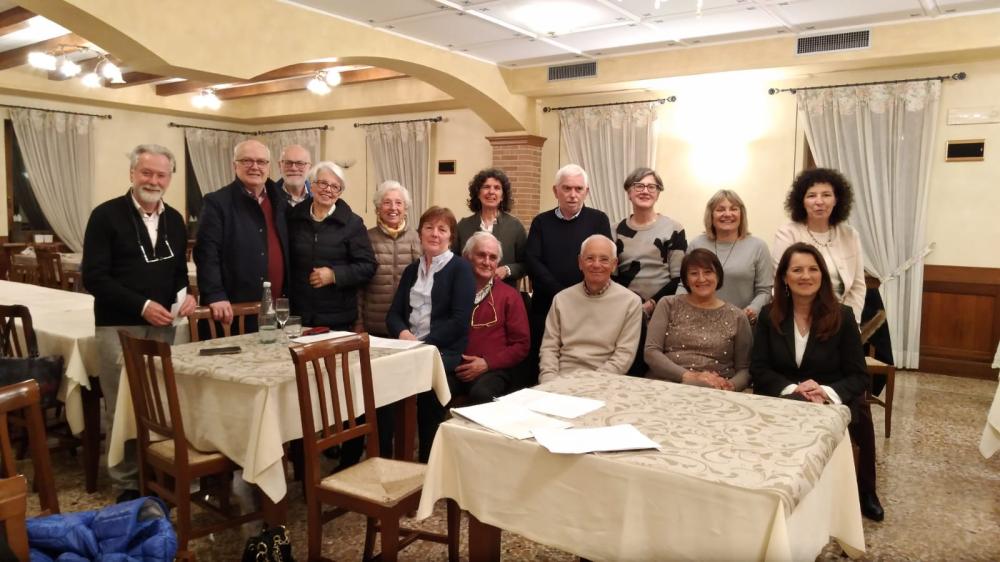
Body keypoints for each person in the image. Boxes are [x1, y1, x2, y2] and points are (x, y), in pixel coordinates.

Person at [81, 144, 196, 503]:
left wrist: (188, 296)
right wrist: (142, 306)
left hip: (164, 326)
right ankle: (128, 482)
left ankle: (158, 469)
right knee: (122, 405)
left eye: (161, 174)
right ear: (132, 173)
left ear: (169, 178)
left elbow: (178, 272)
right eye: (146, 172)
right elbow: (94, 277)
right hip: (118, 326)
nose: (153, 180)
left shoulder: (174, 219)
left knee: (161, 402)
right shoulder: (105, 216)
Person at [751, 242, 883, 521]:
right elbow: (759, 368)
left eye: (813, 269)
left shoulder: (843, 316)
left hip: (829, 396)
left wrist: (824, 391)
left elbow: (859, 375)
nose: (805, 276)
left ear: (822, 275)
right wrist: (794, 389)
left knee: (860, 411)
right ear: (784, 277)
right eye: (797, 270)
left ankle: (865, 491)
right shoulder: (768, 315)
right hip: (785, 396)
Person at [386, 206, 475, 462]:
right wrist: (403, 333)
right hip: (408, 347)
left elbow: (459, 322)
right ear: (420, 233)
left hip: (442, 351)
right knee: (380, 388)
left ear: (451, 237)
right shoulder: (411, 271)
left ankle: (427, 464)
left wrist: (422, 344)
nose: (435, 234)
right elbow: (393, 315)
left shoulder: (461, 269)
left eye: (442, 229)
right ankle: (384, 458)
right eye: (429, 228)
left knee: (428, 395)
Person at [525, 164, 611, 382]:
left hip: (589, 305)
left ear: (586, 192)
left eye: (578, 189)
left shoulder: (599, 220)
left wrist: (578, 295)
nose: (573, 195)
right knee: (544, 362)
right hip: (547, 304)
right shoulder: (541, 222)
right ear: (556, 191)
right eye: (567, 188)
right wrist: (562, 294)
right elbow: (532, 261)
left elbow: (604, 260)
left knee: (582, 362)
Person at [194, 139, 289, 330]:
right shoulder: (217, 202)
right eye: (247, 161)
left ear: (269, 167)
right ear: (234, 165)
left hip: (279, 308)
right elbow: (206, 253)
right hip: (234, 309)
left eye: (261, 162)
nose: (255, 167)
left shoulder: (280, 200)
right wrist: (214, 294)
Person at [612, 167, 686, 375]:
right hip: (626, 310)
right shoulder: (614, 230)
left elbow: (679, 277)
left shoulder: (674, 228)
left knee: (658, 370)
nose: (645, 191)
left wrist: (651, 304)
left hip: (663, 310)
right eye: (639, 186)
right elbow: (613, 276)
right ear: (629, 192)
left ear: (658, 193)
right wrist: (633, 305)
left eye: (651, 187)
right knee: (629, 366)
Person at [538, 235, 642, 383]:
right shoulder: (561, 299)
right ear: (580, 263)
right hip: (560, 380)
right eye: (590, 258)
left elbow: (624, 356)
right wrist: (549, 382)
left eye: (604, 259)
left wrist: (589, 384)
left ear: (614, 264)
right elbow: (549, 348)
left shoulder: (631, 302)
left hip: (605, 382)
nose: (596, 264)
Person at [645, 249, 752, 391]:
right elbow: (651, 352)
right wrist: (690, 376)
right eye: (694, 273)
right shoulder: (668, 304)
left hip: (717, 390)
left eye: (708, 272)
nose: (701, 279)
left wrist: (729, 386)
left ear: (718, 275)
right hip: (666, 385)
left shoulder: (737, 316)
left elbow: (744, 369)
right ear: (685, 279)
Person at [287, 162, 375, 330]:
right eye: (323, 183)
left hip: (337, 319)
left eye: (335, 187)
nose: (328, 190)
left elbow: (368, 266)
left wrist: (334, 275)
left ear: (340, 193)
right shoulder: (293, 217)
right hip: (298, 316)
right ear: (311, 185)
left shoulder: (352, 224)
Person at [773, 168, 865, 324]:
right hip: (800, 318)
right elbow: (781, 282)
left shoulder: (850, 235)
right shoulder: (787, 234)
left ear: (836, 200)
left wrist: (850, 321)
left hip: (843, 318)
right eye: (811, 196)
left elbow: (857, 286)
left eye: (826, 195)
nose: (819, 201)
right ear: (802, 201)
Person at [456, 232, 530, 403]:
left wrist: (487, 363)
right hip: (456, 368)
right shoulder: (453, 291)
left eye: (493, 257)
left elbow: (521, 345)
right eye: (481, 255)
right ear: (467, 257)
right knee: (429, 390)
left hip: (493, 370)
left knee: (481, 394)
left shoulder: (510, 296)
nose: (487, 262)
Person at [681, 189, 772, 323]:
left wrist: (751, 310)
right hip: (699, 321)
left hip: (742, 322)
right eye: (720, 209)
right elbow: (684, 285)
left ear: (741, 214)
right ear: (711, 215)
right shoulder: (697, 244)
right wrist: (678, 309)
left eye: (734, 209)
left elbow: (764, 291)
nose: (727, 214)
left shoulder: (758, 247)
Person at [356, 181, 422, 337]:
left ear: (405, 209)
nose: (393, 208)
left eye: (398, 203)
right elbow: (359, 286)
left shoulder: (418, 237)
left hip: (408, 327)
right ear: (378, 208)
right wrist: (358, 322)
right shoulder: (366, 238)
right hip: (374, 325)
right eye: (387, 203)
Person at [453, 168, 527, 287]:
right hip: (468, 290)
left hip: (504, 292)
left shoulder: (515, 226)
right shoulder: (463, 225)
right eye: (486, 187)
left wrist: (507, 270)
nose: (491, 192)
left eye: (497, 188)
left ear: (502, 196)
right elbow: (453, 260)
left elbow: (526, 264)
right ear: (478, 193)